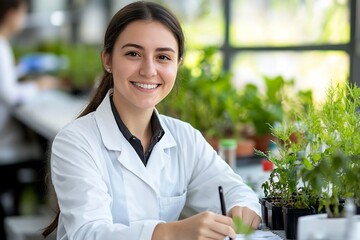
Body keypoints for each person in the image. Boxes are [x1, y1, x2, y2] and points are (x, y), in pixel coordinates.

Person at [43, 1, 261, 239]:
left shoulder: (184, 137)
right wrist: (170, 232)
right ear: (107, 60)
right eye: (133, 54)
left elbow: (235, 190)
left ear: (178, 64)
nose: (149, 70)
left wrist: (243, 209)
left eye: (163, 57)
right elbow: (88, 233)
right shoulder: (75, 141)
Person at [0, 0, 58, 161]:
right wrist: (38, 85)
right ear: (11, 15)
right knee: (43, 152)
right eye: (23, 13)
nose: (24, 19)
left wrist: (22, 66)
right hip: (4, 141)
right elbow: (10, 95)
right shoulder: (2, 46)